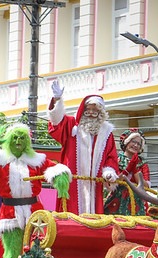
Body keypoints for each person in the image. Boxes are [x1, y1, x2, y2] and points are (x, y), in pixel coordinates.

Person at [0, 123, 72, 258]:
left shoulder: (36, 160)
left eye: (22, 138)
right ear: (8, 140)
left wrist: (60, 176)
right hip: (9, 212)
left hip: (35, 211)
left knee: (38, 248)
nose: (18, 141)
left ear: (27, 141)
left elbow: (54, 169)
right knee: (12, 249)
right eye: (15, 137)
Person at [47, 80, 119, 214]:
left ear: (100, 112)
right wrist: (57, 100)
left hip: (94, 184)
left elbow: (111, 156)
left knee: (94, 218)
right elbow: (56, 123)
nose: (91, 113)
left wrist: (109, 172)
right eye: (88, 109)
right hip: (74, 183)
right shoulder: (72, 125)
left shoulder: (106, 132)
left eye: (95, 110)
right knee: (70, 214)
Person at [104, 128, 150, 216]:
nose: (136, 145)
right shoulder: (116, 159)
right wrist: (127, 170)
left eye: (139, 144)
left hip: (138, 201)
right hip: (117, 198)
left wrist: (135, 169)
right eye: (133, 142)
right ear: (126, 142)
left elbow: (145, 186)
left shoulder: (143, 163)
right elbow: (113, 183)